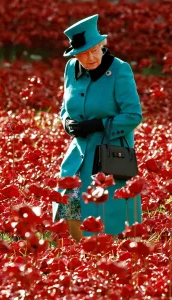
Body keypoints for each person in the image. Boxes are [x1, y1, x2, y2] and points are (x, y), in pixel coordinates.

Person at [52, 14, 143, 241]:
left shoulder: (120, 70)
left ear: (103, 46)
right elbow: (65, 108)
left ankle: (107, 262)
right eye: (83, 53)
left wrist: (100, 124)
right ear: (75, 55)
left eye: (94, 50)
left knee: (108, 214)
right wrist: (68, 123)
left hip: (109, 155)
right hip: (79, 155)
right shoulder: (71, 69)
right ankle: (77, 255)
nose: (90, 57)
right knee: (69, 206)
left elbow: (133, 115)